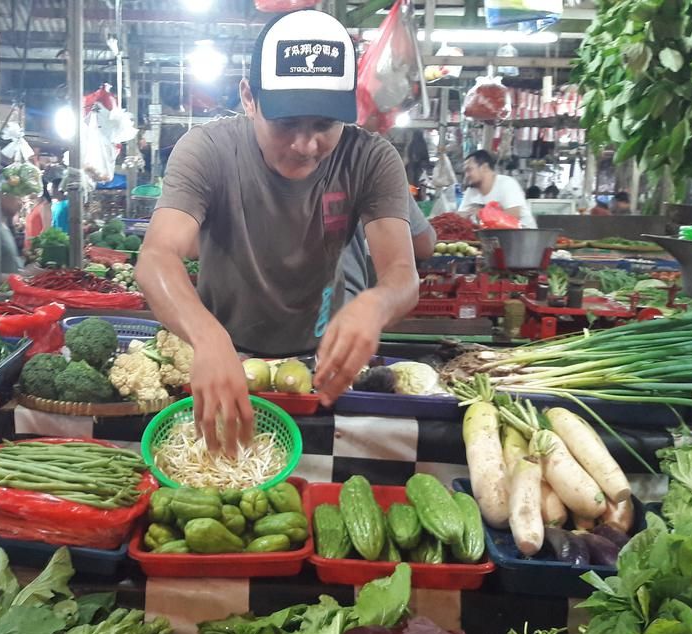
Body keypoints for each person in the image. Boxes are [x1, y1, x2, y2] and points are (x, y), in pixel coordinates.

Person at [135, 9, 420, 452]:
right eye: (287, 123)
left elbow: (403, 272)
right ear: (249, 97)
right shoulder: (207, 151)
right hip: (222, 360)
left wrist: (377, 304)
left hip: (319, 369)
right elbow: (156, 258)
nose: (307, 146)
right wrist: (208, 338)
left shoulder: (371, 159)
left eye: (325, 125)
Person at [459, 150, 537, 228]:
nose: (466, 175)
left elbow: (514, 215)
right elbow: (461, 215)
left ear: (484, 167)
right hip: (492, 236)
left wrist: (482, 213)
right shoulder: (472, 189)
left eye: (469, 170)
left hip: (522, 235)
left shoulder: (506, 183)